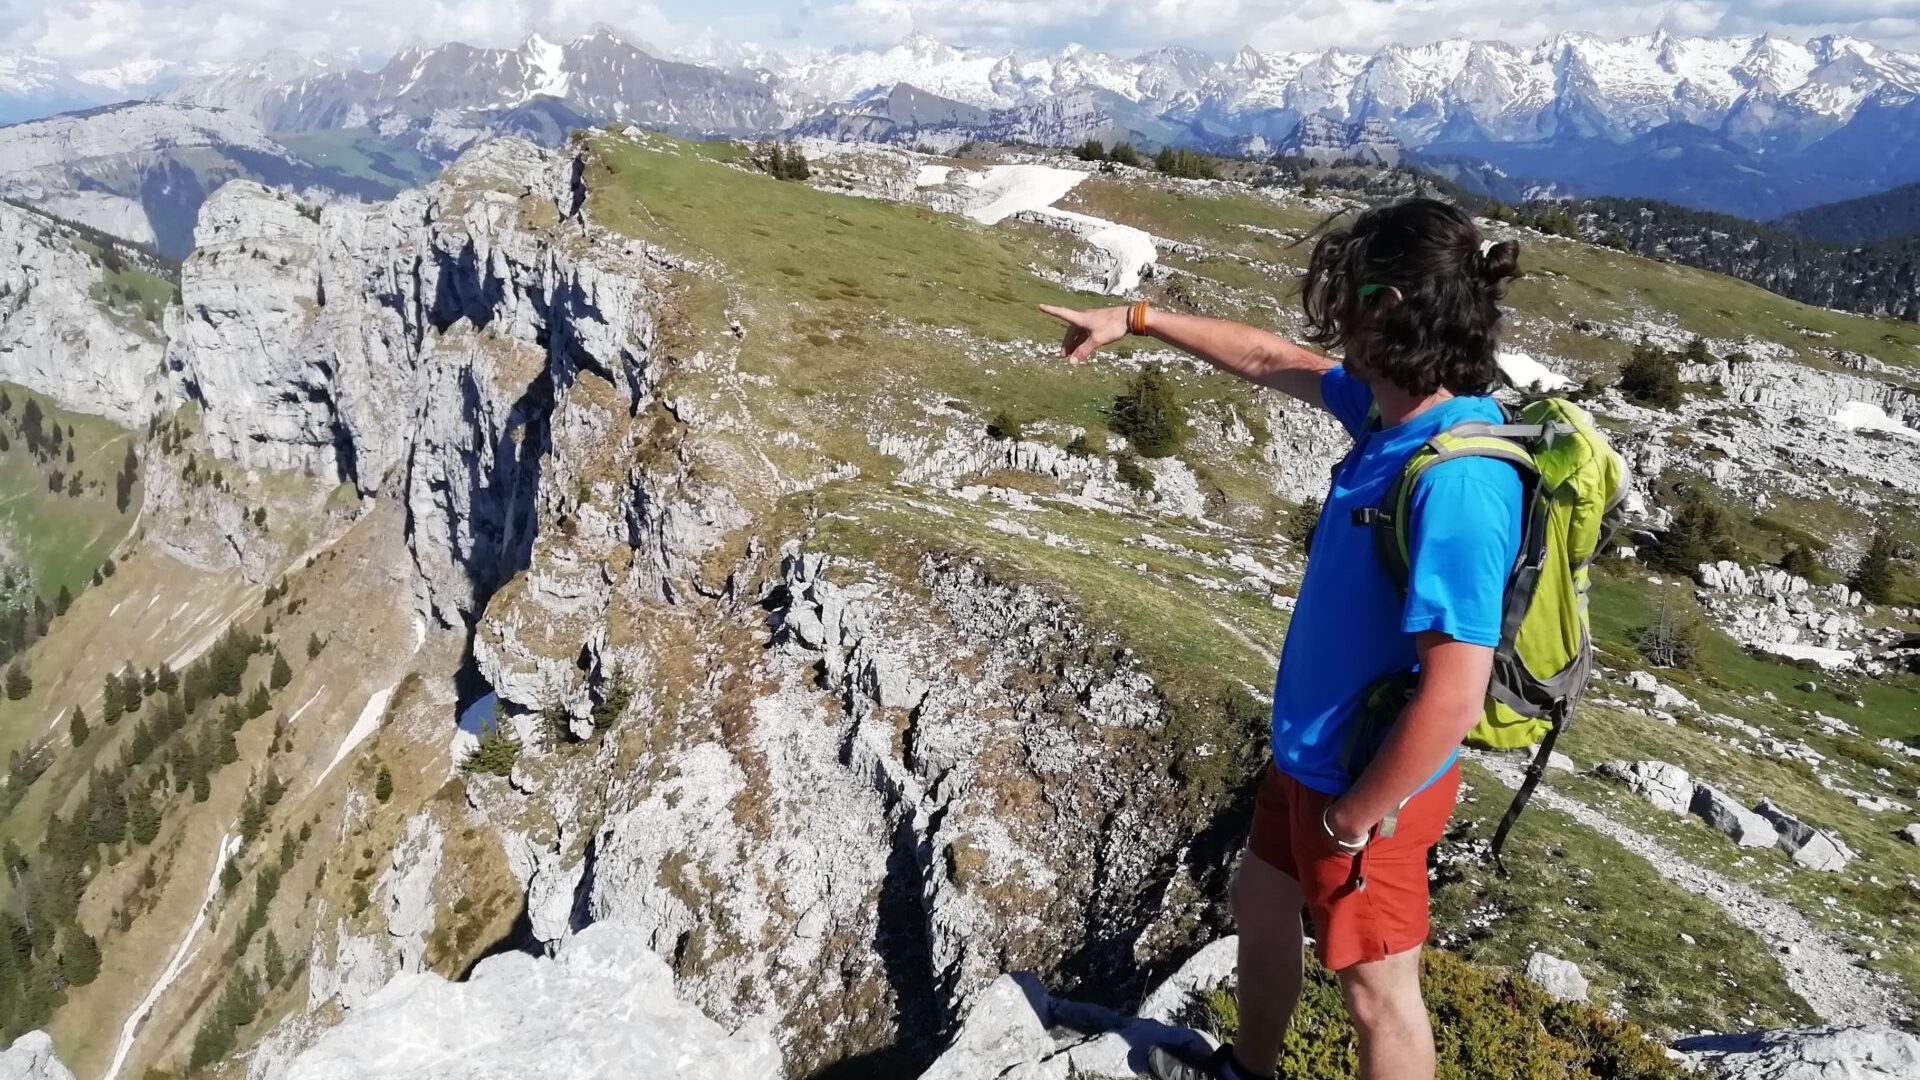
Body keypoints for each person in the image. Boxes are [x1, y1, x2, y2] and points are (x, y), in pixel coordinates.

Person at [1039, 198, 1524, 1080]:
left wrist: (1351, 818)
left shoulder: (1460, 479)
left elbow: (1454, 696)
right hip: (1310, 755)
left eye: (1347, 293)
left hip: (1364, 787)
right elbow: (1267, 358)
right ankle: (1246, 1071)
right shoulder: (1385, 414)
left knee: (1380, 994)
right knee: (1261, 900)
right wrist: (1135, 320)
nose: (1332, 315)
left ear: (1387, 307)